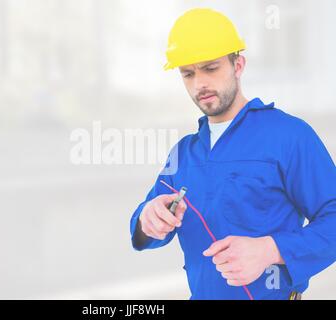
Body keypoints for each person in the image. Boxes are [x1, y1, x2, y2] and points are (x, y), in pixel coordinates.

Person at [129, 8, 336, 300]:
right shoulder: (184, 154)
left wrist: (272, 249)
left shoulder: (289, 136)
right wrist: (146, 219)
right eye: (188, 74)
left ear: (238, 65)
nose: (199, 83)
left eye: (210, 68)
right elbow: (145, 228)